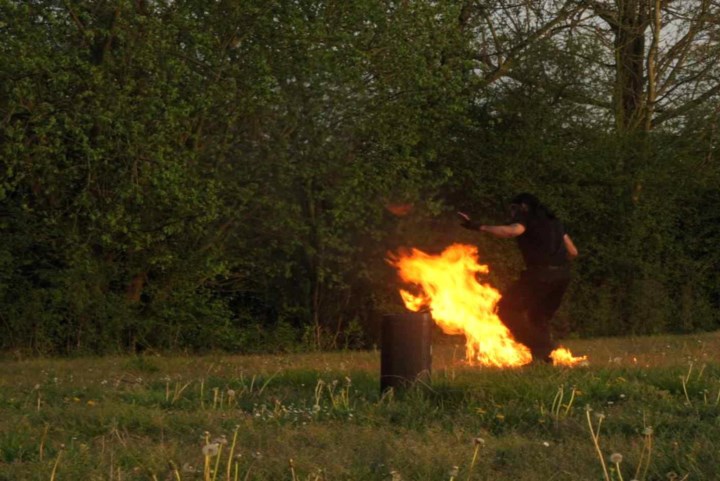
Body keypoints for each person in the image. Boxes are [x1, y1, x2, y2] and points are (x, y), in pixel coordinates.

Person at [458, 193, 578, 363]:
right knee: (538, 316)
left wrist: (479, 226)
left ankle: (542, 348)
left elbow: (512, 231)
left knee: (506, 311)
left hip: (539, 275)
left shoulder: (527, 217)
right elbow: (573, 252)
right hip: (563, 276)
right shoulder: (556, 222)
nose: (512, 213)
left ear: (523, 206)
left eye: (513, 208)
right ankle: (543, 361)